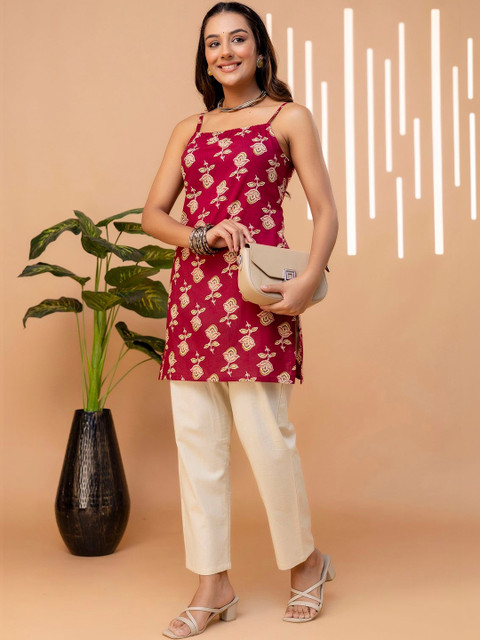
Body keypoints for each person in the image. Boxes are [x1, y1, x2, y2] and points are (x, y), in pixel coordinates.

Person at [141, 2, 339, 637]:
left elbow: (325, 211)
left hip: (257, 299)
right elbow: (153, 216)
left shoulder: (288, 117)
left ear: (259, 49)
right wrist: (200, 235)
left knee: (266, 439)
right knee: (198, 446)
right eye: (213, 43)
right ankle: (213, 584)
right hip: (195, 300)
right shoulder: (189, 128)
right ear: (204, 58)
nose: (225, 51)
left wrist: (307, 281)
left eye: (237, 39)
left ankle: (306, 564)